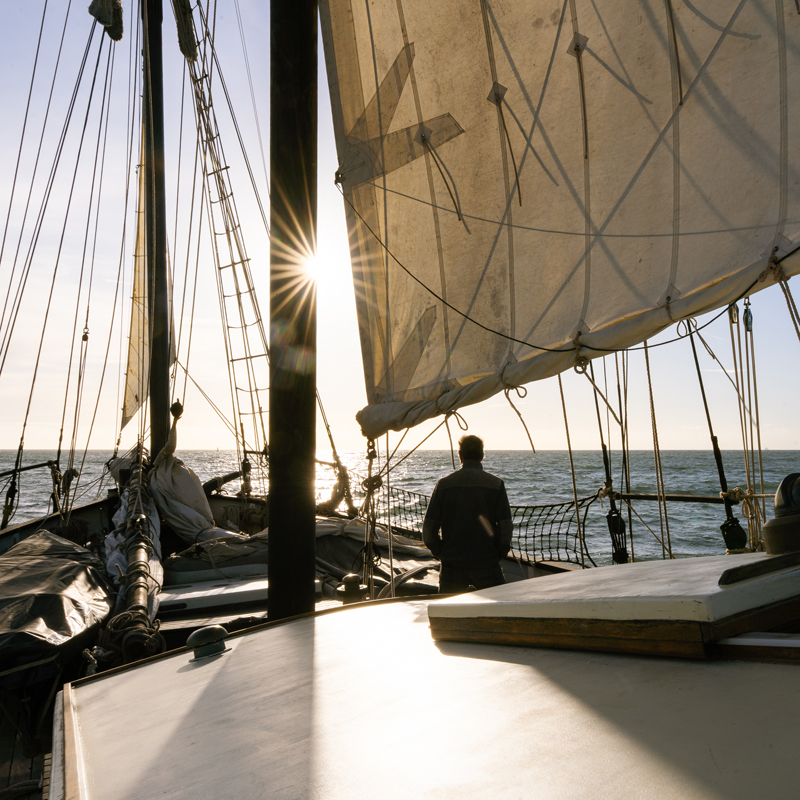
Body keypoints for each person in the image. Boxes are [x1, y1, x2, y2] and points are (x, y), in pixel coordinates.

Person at [423, 435, 513, 594]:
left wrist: (443, 554)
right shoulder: (496, 484)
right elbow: (506, 528)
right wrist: (497, 554)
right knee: (498, 611)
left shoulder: (443, 485)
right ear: (481, 455)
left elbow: (429, 531)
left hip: (452, 565)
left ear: (460, 455)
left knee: (447, 613)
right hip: (487, 564)